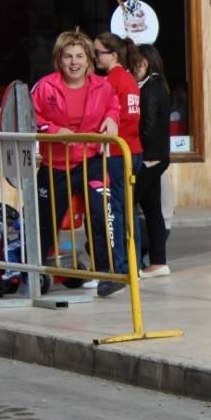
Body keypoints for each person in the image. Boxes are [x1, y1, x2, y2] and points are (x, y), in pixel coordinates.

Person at [31, 28, 126, 297]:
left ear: (89, 60)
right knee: (46, 220)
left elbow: (113, 106)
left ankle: (108, 274)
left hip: (90, 160)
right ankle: (36, 273)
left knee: (101, 213)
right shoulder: (45, 86)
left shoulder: (103, 85)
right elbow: (30, 118)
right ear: (58, 60)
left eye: (80, 56)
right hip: (54, 164)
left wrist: (112, 119)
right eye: (68, 56)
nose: (74, 62)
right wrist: (52, 130)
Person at [94, 32, 143, 270]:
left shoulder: (111, 82)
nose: (94, 58)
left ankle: (123, 265)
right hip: (133, 150)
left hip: (116, 152)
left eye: (97, 53)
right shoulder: (129, 79)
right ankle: (135, 264)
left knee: (117, 211)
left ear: (112, 55)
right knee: (129, 210)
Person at [132, 42, 172, 278]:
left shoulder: (149, 90)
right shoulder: (159, 86)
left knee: (127, 207)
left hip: (150, 158)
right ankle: (158, 261)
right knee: (152, 209)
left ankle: (133, 261)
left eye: (133, 64)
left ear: (144, 64)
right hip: (157, 158)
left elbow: (147, 128)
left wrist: (142, 154)